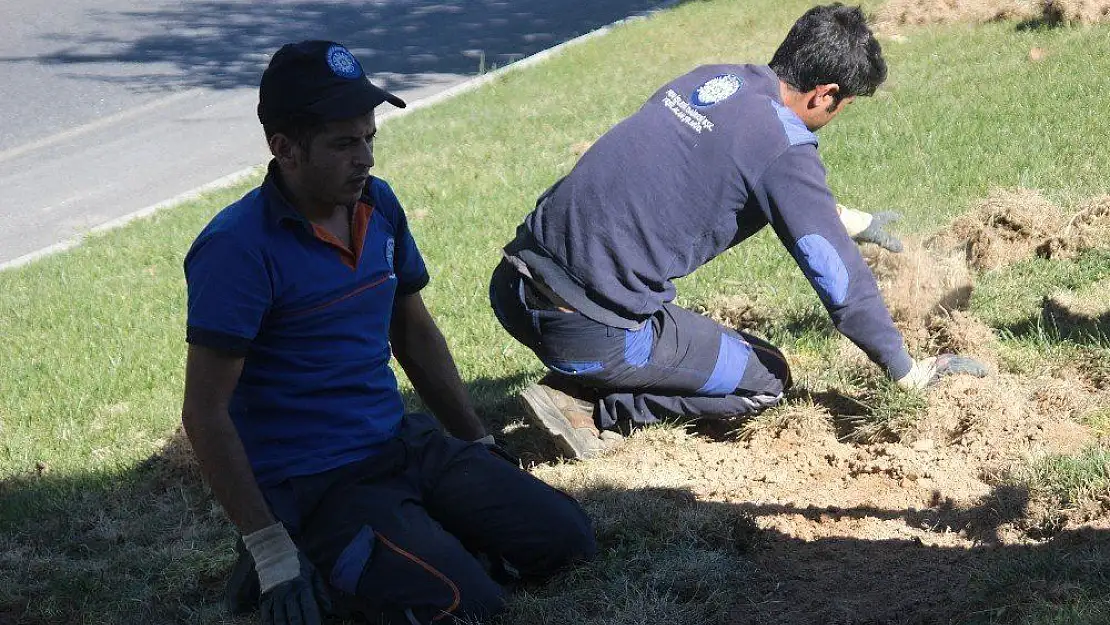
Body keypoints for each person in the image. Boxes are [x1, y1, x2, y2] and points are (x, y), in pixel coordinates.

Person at [181, 41, 596, 625]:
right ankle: (312, 555)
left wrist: (476, 443)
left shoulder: (377, 204)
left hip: (401, 444)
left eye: (369, 137)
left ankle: (413, 541)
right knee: (467, 607)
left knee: (570, 542)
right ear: (284, 149)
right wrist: (269, 548)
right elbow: (204, 413)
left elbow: (414, 333)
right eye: (345, 144)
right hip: (319, 485)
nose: (366, 158)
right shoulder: (236, 249)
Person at [488, 4, 987, 460]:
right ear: (826, 95)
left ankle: (584, 374)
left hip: (513, 284)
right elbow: (842, 286)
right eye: (845, 105)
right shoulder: (784, 146)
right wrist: (908, 373)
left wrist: (858, 223)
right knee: (766, 376)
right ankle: (592, 408)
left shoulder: (712, 80)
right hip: (587, 332)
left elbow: (708, 171)